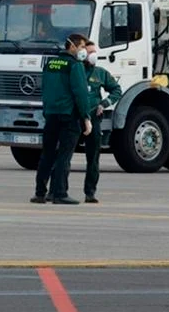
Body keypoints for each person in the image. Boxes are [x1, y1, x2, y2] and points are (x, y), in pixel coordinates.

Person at [34, 33, 94, 204]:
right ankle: (59, 193)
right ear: (72, 46)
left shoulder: (50, 63)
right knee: (64, 156)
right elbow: (81, 93)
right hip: (69, 115)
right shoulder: (75, 66)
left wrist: (47, 111)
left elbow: (45, 89)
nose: (84, 51)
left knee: (47, 154)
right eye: (82, 47)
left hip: (51, 114)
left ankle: (40, 193)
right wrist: (85, 117)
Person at [81, 42, 123, 204]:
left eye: (95, 52)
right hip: (76, 119)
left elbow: (116, 90)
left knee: (93, 158)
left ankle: (90, 192)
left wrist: (104, 104)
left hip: (93, 119)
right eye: (90, 51)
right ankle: (58, 190)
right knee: (63, 155)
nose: (94, 55)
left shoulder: (100, 73)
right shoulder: (76, 72)